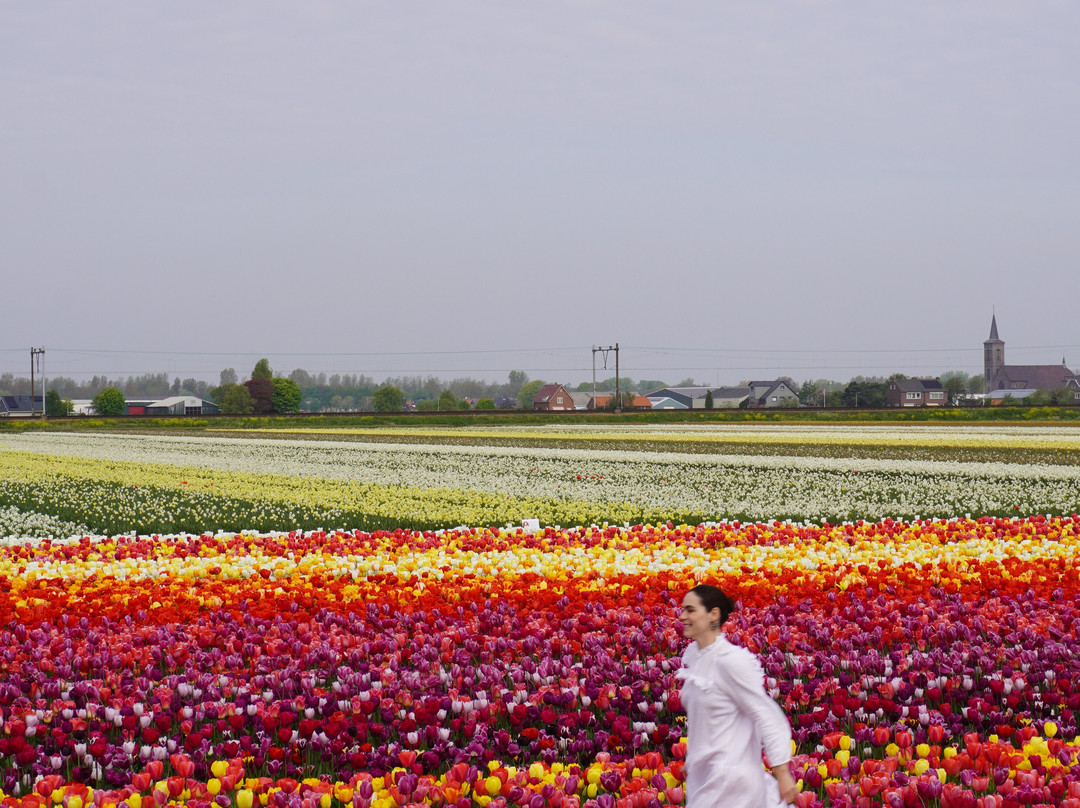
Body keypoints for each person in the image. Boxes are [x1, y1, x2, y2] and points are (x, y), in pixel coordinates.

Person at [676, 584, 798, 807]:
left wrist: (782, 773)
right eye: (683, 609)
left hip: (731, 781)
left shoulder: (729, 660)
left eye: (690, 610)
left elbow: (765, 714)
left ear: (713, 614)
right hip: (705, 777)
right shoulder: (695, 657)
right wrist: (694, 760)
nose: (682, 616)